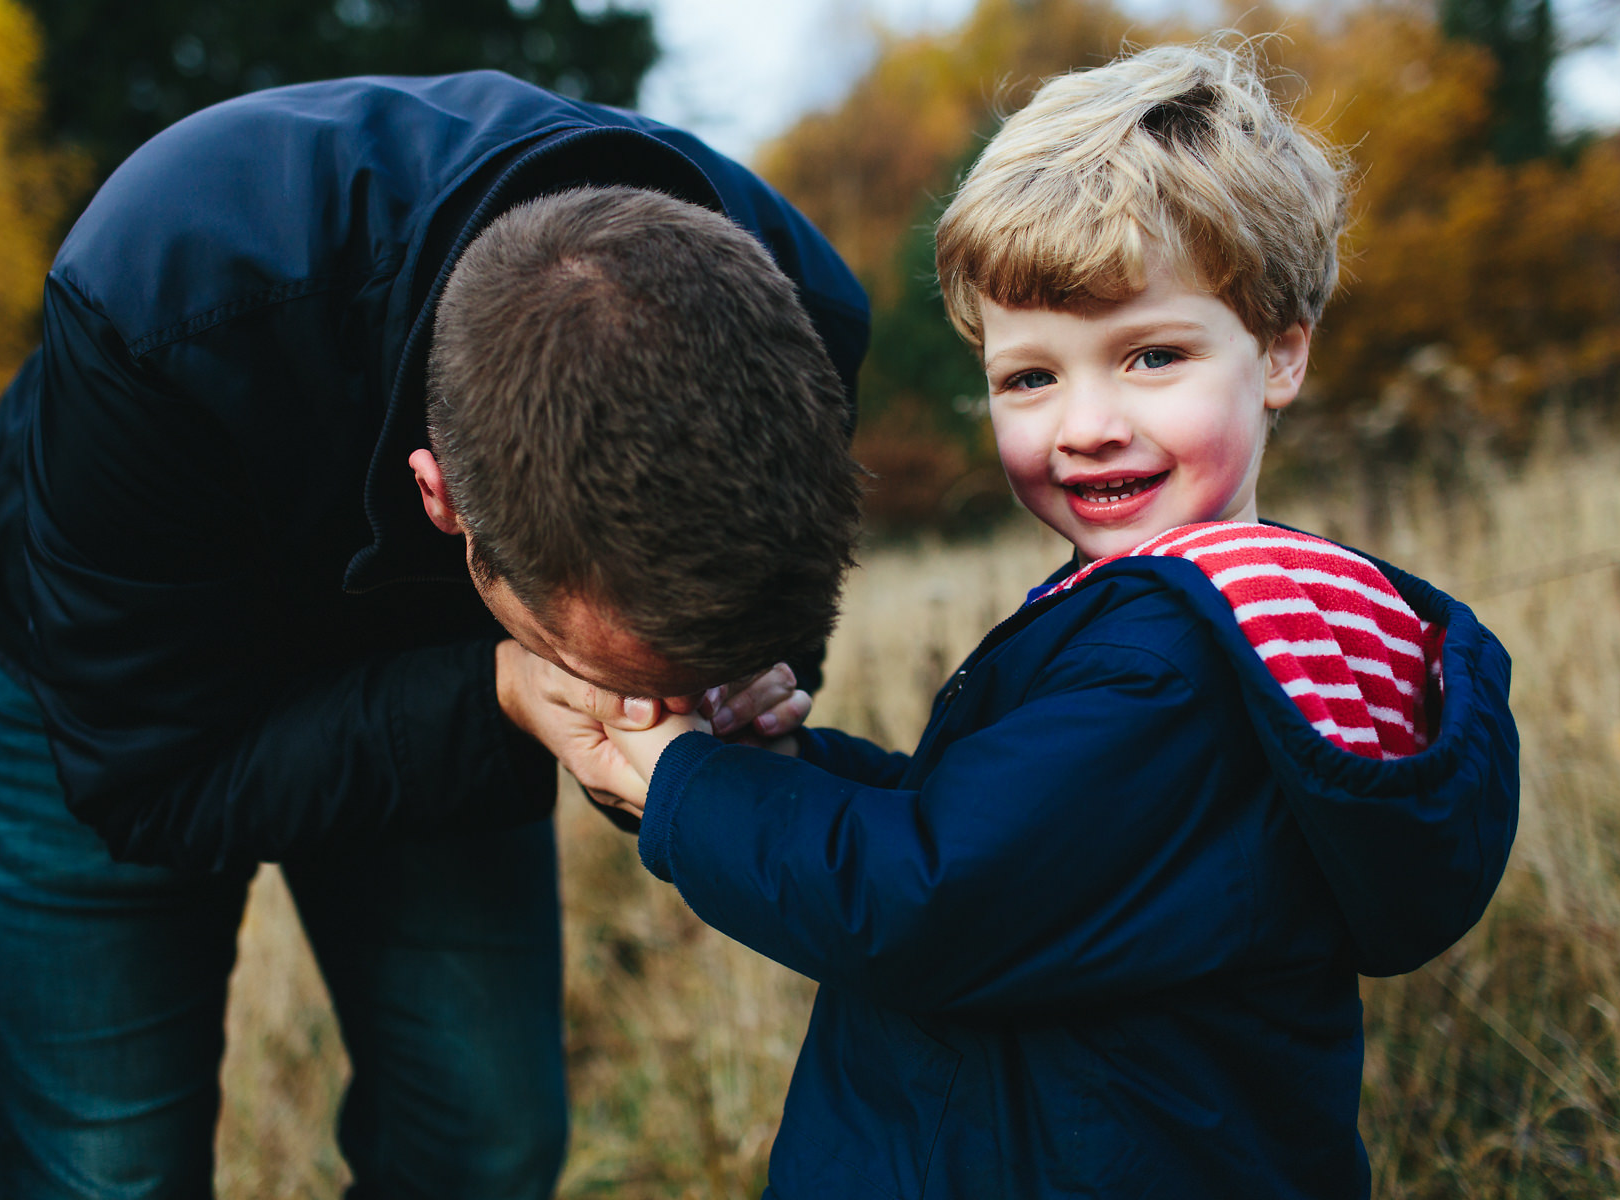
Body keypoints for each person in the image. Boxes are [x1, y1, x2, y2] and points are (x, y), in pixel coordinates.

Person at [562, 42, 1521, 1197]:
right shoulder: (1242, 622)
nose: (1089, 424)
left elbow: (926, 903)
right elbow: (1006, 839)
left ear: (1278, 352)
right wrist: (776, 761)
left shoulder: (1168, 663)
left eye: (1151, 357)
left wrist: (684, 785)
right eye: (1031, 378)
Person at [0, 72, 868, 1198]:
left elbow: (754, 610)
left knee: (486, 1144)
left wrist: (731, 708)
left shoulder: (801, 315)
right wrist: (497, 693)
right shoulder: (157, 289)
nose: (645, 709)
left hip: (450, 685)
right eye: (618, 680)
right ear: (444, 504)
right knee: (102, 1171)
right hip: (124, 684)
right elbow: (153, 784)